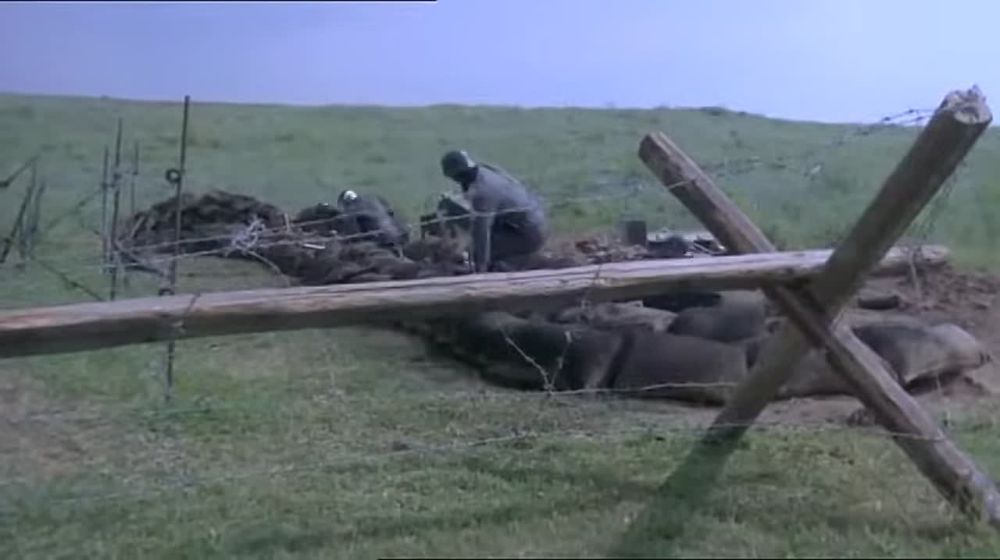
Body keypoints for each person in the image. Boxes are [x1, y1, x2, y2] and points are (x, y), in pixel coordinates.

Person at [439, 150, 548, 273]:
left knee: (474, 251)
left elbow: (481, 233)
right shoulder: (486, 171)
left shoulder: (483, 193)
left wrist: (480, 268)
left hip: (529, 235)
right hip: (533, 222)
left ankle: (502, 268)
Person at [335, 189, 409, 249]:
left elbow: (352, 232)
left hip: (384, 240)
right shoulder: (375, 200)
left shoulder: (352, 209)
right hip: (402, 234)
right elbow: (391, 212)